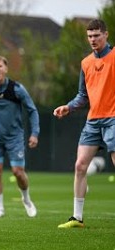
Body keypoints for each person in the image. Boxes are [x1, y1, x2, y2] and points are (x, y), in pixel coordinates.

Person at [54, 19, 115, 229]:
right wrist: (68, 107)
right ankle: (77, 218)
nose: (93, 39)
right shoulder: (86, 63)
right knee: (80, 166)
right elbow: (82, 95)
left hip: (114, 119)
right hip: (93, 121)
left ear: (106, 35)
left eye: (97, 35)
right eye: (90, 36)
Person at [0, 55, 39, 218]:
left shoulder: (17, 89)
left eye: (0, 66)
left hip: (15, 137)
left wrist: (35, 133)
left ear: (6, 69)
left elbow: (32, 110)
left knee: (18, 172)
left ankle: (26, 200)